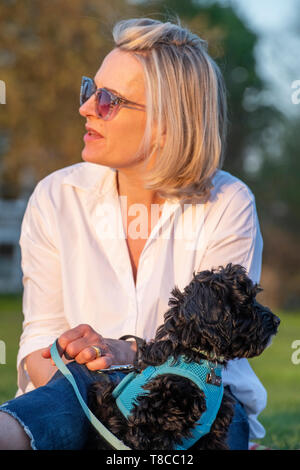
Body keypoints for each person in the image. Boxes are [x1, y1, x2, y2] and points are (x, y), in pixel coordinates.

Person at [0, 17, 266, 450]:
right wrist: (80, 366)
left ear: (167, 122)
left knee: (189, 417)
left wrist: (128, 356)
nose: (86, 107)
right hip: (78, 395)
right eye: (91, 89)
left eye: (109, 100)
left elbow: (211, 350)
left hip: (197, 397)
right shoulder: (56, 196)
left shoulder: (229, 203)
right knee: (62, 403)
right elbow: (37, 343)